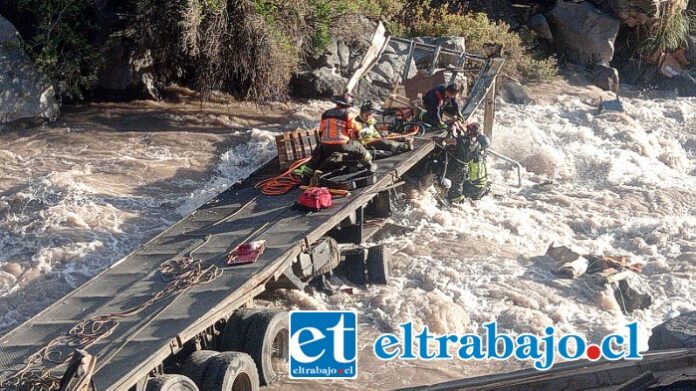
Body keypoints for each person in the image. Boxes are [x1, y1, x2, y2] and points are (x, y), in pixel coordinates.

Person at [307, 93, 377, 172]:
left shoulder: (326, 113)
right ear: (348, 105)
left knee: (319, 156)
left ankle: (307, 175)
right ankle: (370, 165)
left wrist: (324, 142)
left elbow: (321, 131)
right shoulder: (347, 114)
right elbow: (356, 129)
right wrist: (359, 140)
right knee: (359, 148)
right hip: (341, 144)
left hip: (325, 145)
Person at [447, 122, 491, 202]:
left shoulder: (472, 153)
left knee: (453, 190)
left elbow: (464, 142)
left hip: (473, 187)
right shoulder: (481, 152)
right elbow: (468, 137)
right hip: (482, 186)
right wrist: (458, 124)